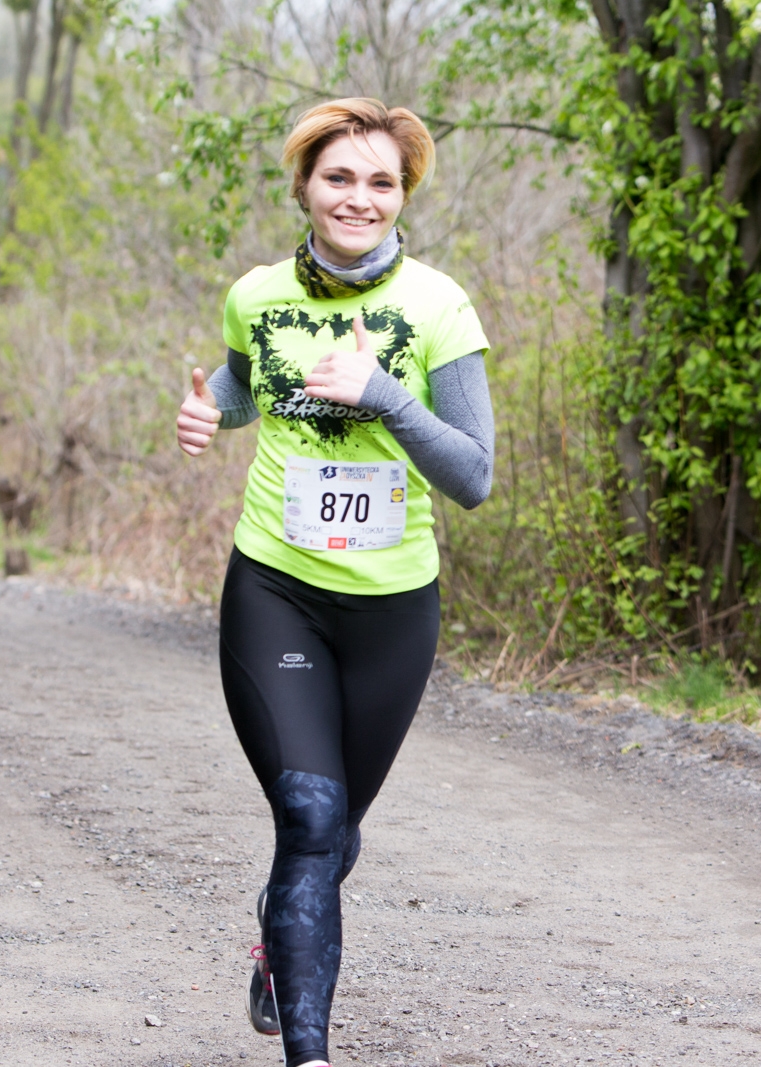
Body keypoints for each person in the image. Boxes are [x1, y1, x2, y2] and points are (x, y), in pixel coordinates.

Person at [172, 99, 494, 1067]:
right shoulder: (257, 293)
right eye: (338, 177)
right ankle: (310, 1054)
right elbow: (245, 381)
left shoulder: (438, 308)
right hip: (276, 584)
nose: (359, 197)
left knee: (334, 830)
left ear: (404, 196)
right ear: (304, 185)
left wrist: (385, 394)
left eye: (381, 181)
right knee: (307, 811)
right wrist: (205, 415)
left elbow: (473, 475)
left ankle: (280, 932)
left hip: (394, 610)